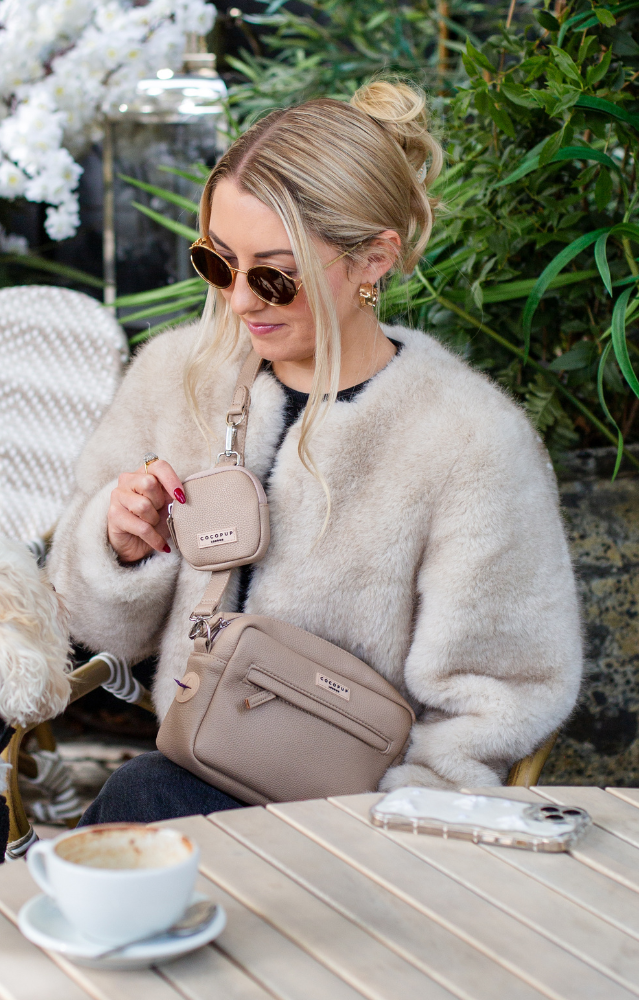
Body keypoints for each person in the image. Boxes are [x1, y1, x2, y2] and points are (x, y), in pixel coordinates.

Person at [47, 81, 582, 824]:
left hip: (362, 819)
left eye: (274, 275)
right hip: (186, 767)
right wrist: (119, 545)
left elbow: (500, 696)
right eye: (217, 263)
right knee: (141, 798)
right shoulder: (178, 378)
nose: (240, 299)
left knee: (137, 805)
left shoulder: (469, 440)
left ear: (373, 260)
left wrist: (382, 827)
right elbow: (92, 627)